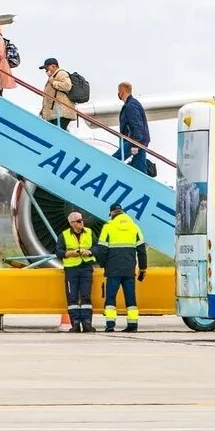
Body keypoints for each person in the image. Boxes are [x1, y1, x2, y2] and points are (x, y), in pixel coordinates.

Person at [94, 203, 148, 332]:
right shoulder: (135, 227)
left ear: (112, 213)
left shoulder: (108, 227)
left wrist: (103, 264)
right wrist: (142, 269)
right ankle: (133, 325)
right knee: (130, 298)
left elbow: (102, 249)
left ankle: (110, 325)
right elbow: (141, 250)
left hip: (112, 269)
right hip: (129, 269)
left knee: (111, 297)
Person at [61, 211, 96, 333]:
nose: (82, 222)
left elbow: (98, 247)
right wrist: (68, 253)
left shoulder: (90, 232)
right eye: (78, 221)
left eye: (81, 220)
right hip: (71, 270)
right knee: (72, 298)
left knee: (86, 297)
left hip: (86, 268)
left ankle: (87, 323)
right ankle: (75, 324)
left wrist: (90, 252)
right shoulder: (64, 235)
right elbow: (58, 251)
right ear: (71, 223)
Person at [117, 82, 151, 174]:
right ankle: (143, 185)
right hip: (139, 142)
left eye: (118, 91)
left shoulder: (130, 106)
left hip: (134, 141)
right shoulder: (132, 104)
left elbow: (137, 126)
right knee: (140, 169)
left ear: (122, 92)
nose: (118, 94)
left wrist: (135, 145)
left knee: (114, 160)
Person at [40, 58, 75, 130]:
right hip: (54, 112)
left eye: (47, 67)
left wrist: (53, 82)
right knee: (55, 132)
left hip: (61, 112)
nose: (46, 70)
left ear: (53, 66)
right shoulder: (53, 76)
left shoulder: (61, 73)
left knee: (57, 132)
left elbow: (67, 86)